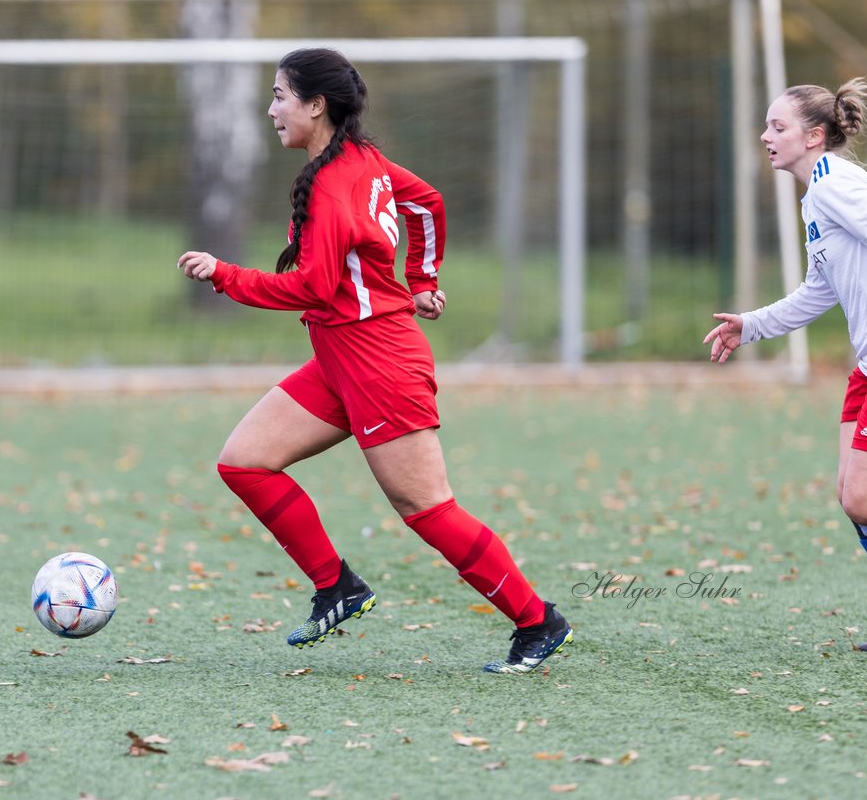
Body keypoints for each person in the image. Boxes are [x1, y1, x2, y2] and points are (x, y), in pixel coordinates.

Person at [177, 48, 571, 674]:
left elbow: (312, 286)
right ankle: (337, 587)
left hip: (380, 362)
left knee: (427, 508)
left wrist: (226, 275)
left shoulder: (337, 182)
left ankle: (537, 621)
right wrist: (421, 277)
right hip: (342, 357)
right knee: (246, 462)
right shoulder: (361, 162)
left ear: (316, 105)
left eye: (280, 96)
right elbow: (427, 204)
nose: (272, 108)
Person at [704, 77, 867, 652]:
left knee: (864, 500)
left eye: (778, 127)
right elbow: (817, 292)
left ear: (815, 135)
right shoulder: (820, 193)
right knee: (857, 498)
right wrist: (750, 325)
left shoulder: (833, 187)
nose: (765, 136)